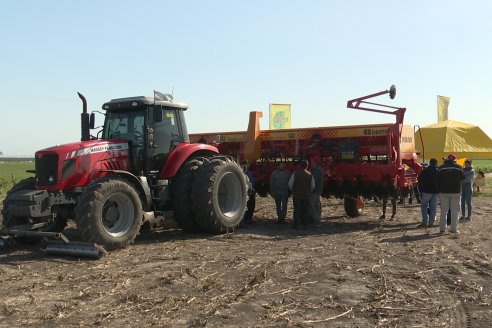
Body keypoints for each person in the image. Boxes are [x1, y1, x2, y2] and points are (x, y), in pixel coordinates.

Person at [437, 154, 465, 234]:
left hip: (443, 192)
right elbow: (463, 177)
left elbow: (437, 179)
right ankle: (453, 229)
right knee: (455, 211)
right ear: (454, 160)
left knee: (443, 211)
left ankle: (442, 229)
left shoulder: (441, 168)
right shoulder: (458, 167)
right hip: (455, 191)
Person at [288, 160, 315, 229]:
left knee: (297, 209)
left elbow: (290, 184)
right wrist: (308, 191)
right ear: (307, 166)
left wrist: (293, 190)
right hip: (306, 195)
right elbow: (313, 186)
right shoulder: (310, 175)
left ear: (300, 165)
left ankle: (296, 224)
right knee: (306, 210)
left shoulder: (295, 174)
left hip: (297, 194)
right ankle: (306, 224)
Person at [418, 158, 439, 227]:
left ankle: (424, 222)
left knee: (424, 206)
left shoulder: (425, 170)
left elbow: (420, 179)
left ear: (430, 163)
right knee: (433, 207)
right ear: (436, 163)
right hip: (436, 191)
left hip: (426, 191)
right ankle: (431, 223)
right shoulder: (438, 171)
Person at [309, 156, 324, 226]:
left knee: (311, 205)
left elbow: (314, 181)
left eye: (311, 161)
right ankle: (318, 219)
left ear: (315, 162)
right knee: (317, 205)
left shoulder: (316, 170)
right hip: (318, 190)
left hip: (314, 190)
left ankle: (316, 219)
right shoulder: (320, 169)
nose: (311, 163)